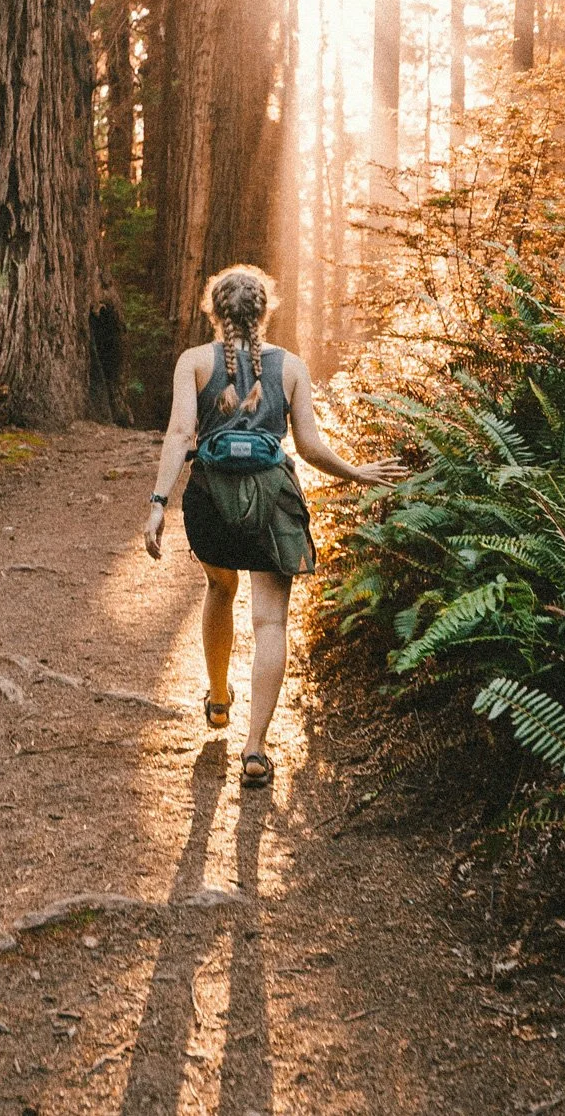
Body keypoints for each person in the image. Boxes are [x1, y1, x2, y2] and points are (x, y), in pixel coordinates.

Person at [143, 265, 404, 789]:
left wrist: (157, 504)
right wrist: (356, 470)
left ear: (214, 312)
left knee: (219, 587)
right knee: (270, 623)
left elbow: (177, 434)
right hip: (273, 504)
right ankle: (255, 748)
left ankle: (219, 699)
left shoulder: (194, 362)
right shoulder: (290, 367)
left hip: (210, 503)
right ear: (264, 312)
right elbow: (307, 447)